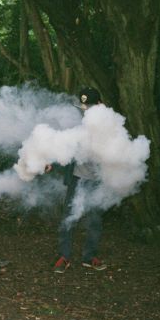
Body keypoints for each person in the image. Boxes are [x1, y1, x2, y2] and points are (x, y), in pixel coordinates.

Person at [52, 87, 108, 274]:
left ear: (100, 105)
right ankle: (64, 256)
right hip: (76, 179)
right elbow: (64, 148)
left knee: (94, 220)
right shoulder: (75, 122)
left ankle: (89, 257)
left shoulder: (111, 125)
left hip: (96, 181)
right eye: (84, 107)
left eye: (90, 107)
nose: (86, 111)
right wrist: (52, 164)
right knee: (67, 218)